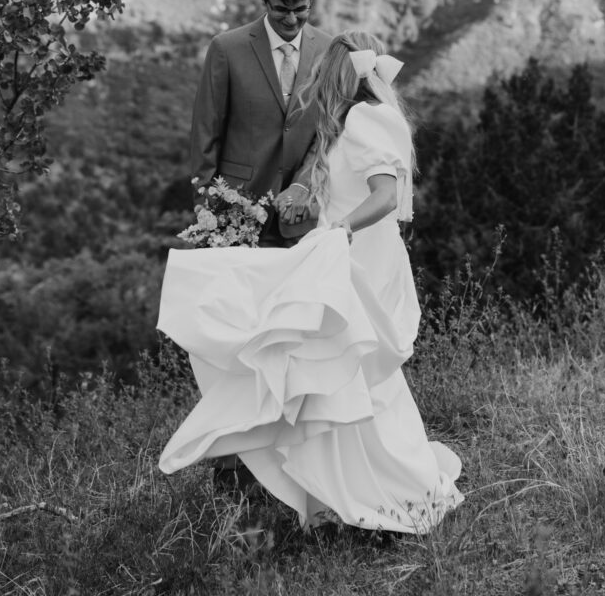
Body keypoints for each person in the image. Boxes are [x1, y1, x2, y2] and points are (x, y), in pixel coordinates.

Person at [158, 31, 464, 533]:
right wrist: (303, 199)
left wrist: (340, 230)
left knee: (346, 370)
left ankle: (368, 490)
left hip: (357, 259)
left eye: (328, 69)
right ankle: (345, 492)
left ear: (344, 71)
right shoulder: (350, 121)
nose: (319, 77)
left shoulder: (365, 118)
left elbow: (385, 196)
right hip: (350, 256)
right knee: (347, 373)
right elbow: (337, 179)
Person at [189, 0, 331, 244]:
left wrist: (304, 185)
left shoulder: (329, 50)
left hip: (303, 216)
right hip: (236, 211)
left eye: (301, 9)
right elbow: (206, 131)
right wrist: (206, 207)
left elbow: (329, 130)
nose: (292, 19)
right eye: (282, 9)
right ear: (265, 2)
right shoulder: (226, 49)